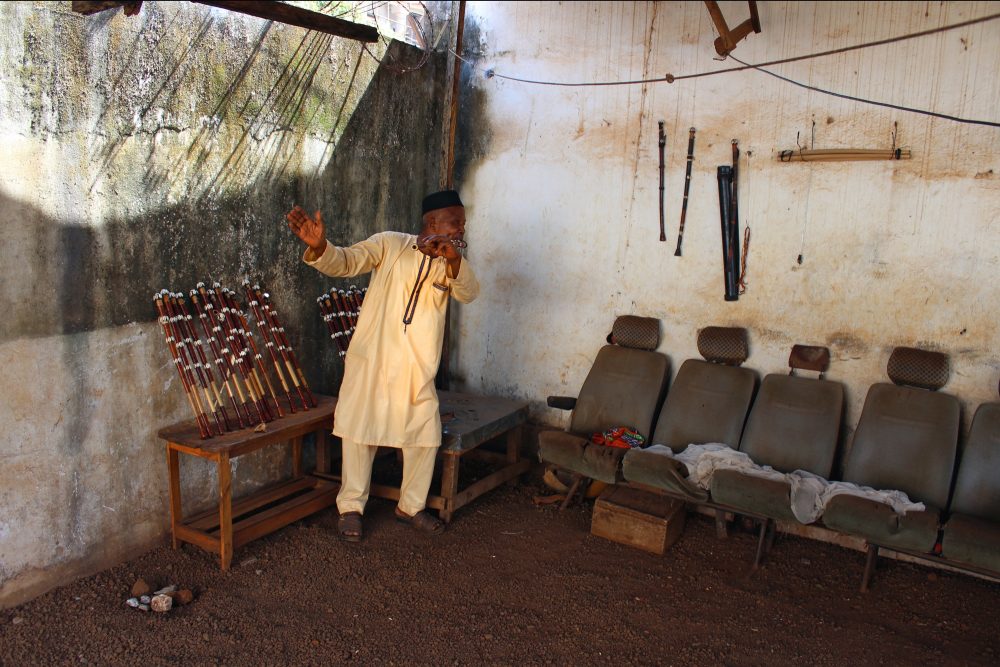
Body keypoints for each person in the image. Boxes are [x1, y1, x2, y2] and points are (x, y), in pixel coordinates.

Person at [286, 190, 479, 541]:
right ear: (433, 222)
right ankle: (351, 509)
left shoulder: (453, 263)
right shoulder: (390, 244)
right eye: (457, 222)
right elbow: (346, 262)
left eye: (463, 223)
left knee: (424, 436)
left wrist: (452, 261)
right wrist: (320, 247)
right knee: (360, 431)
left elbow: (469, 292)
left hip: (415, 369)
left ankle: (410, 507)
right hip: (372, 362)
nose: (463, 229)